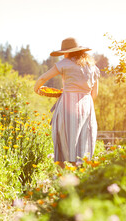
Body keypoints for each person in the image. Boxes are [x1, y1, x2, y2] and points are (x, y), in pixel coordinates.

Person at [34, 37, 100, 168]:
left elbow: (43, 78)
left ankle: (62, 176)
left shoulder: (64, 63)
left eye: (64, 52)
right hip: (87, 105)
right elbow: (94, 94)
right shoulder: (92, 67)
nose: (63, 54)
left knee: (63, 138)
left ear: (69, 52)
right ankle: (80, 175)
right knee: (83, 140)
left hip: (68, 104)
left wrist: (36, 89)